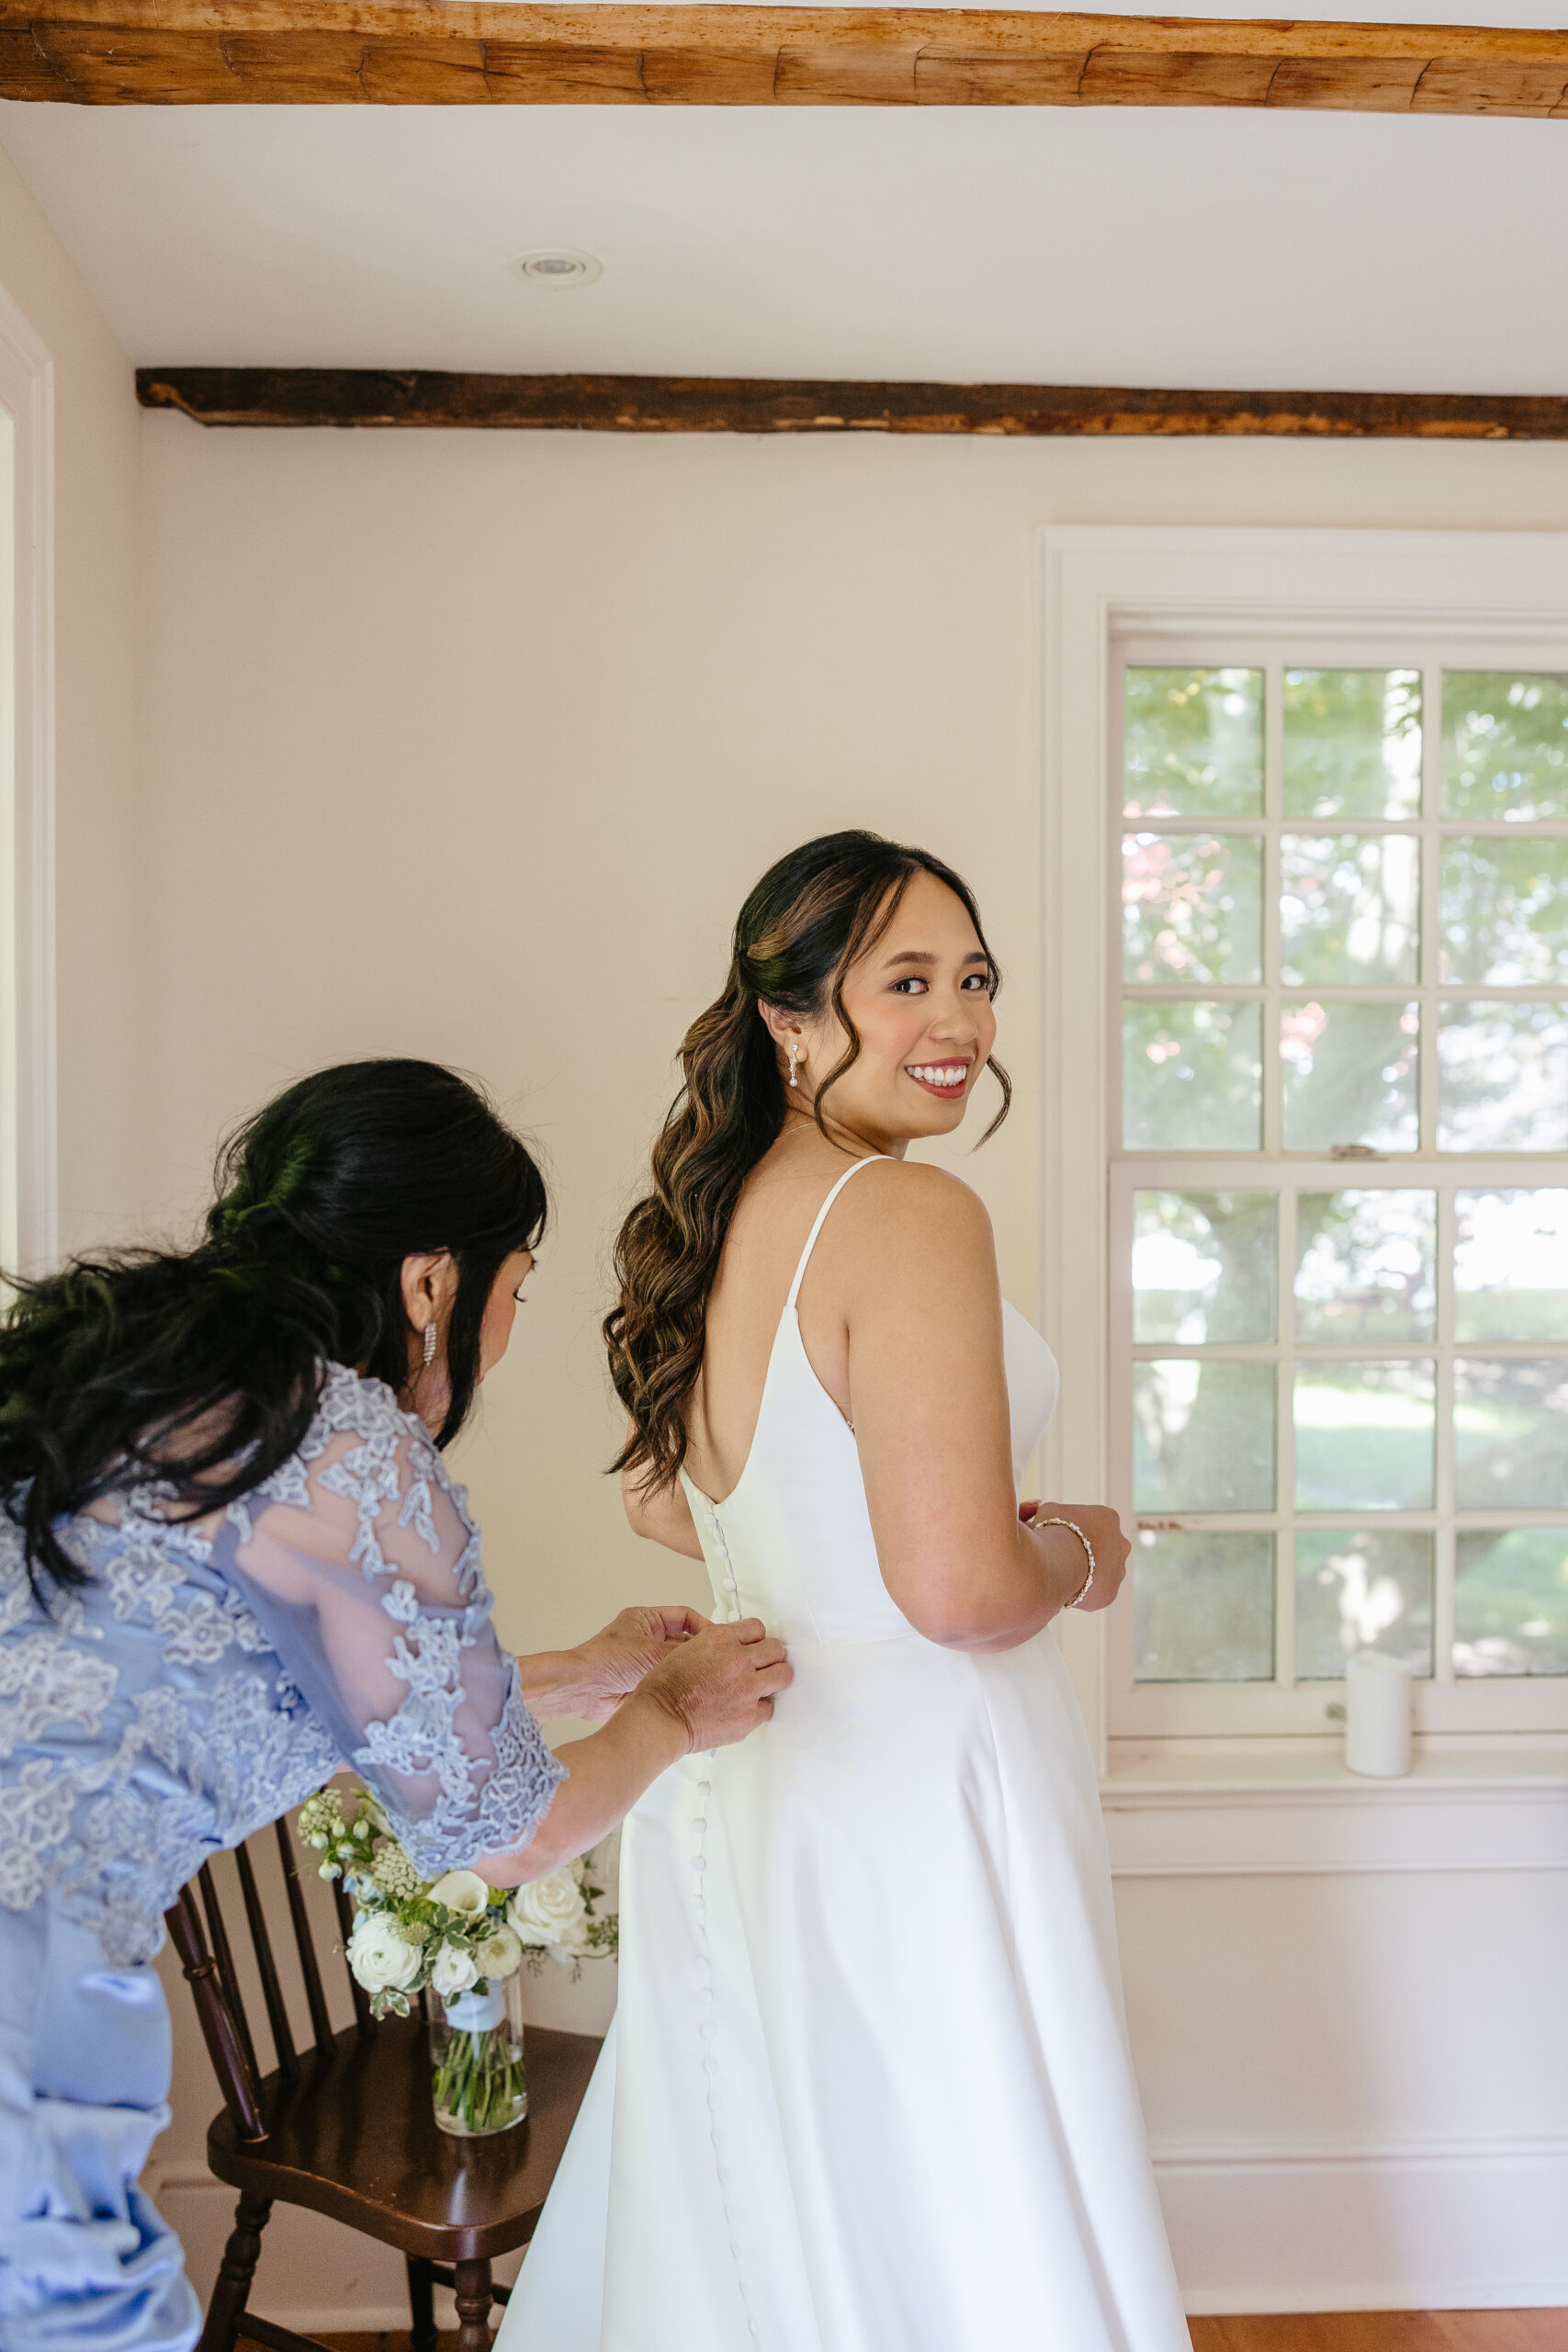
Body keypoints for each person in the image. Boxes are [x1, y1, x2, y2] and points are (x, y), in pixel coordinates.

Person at [499, 833, 1190, 2352]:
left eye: (977, 981)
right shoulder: (907, 1214)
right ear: (791, 1020)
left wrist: (905, 1526)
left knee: (781, 2205)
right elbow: (954, 1593)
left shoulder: (717, 1218)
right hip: (919, 1792)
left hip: (756, 1790)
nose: (960, 1023)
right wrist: (1080, 1551)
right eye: (908, 982)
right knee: (953, 2202)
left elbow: (678, 1508)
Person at [0, 1058, 789, 2352]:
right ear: (432, 1280)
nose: (505, 1325)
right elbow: (507, 1837)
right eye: (514, 1290)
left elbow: (274, 1686)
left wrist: (593, 1671)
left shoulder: (158, 1380)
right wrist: (673, 1718)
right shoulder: (348, 1440)